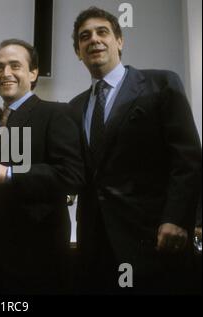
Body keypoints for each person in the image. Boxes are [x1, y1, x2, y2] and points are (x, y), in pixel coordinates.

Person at [68, 7, 202, 294]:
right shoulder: (75, 107)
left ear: (119, 41)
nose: (94, 39)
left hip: (154, 238)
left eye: (102, 32)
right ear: (78, 51)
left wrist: (176, 218)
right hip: (97, 245)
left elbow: (187, 158)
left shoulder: (161, 84)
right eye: (84, 36)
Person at [0, 39, 84, 294]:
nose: (6, 73)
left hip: (36, 258)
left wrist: (9, 174)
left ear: (33, 73)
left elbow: (72, 175)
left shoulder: (56, 113)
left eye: (15, 66)